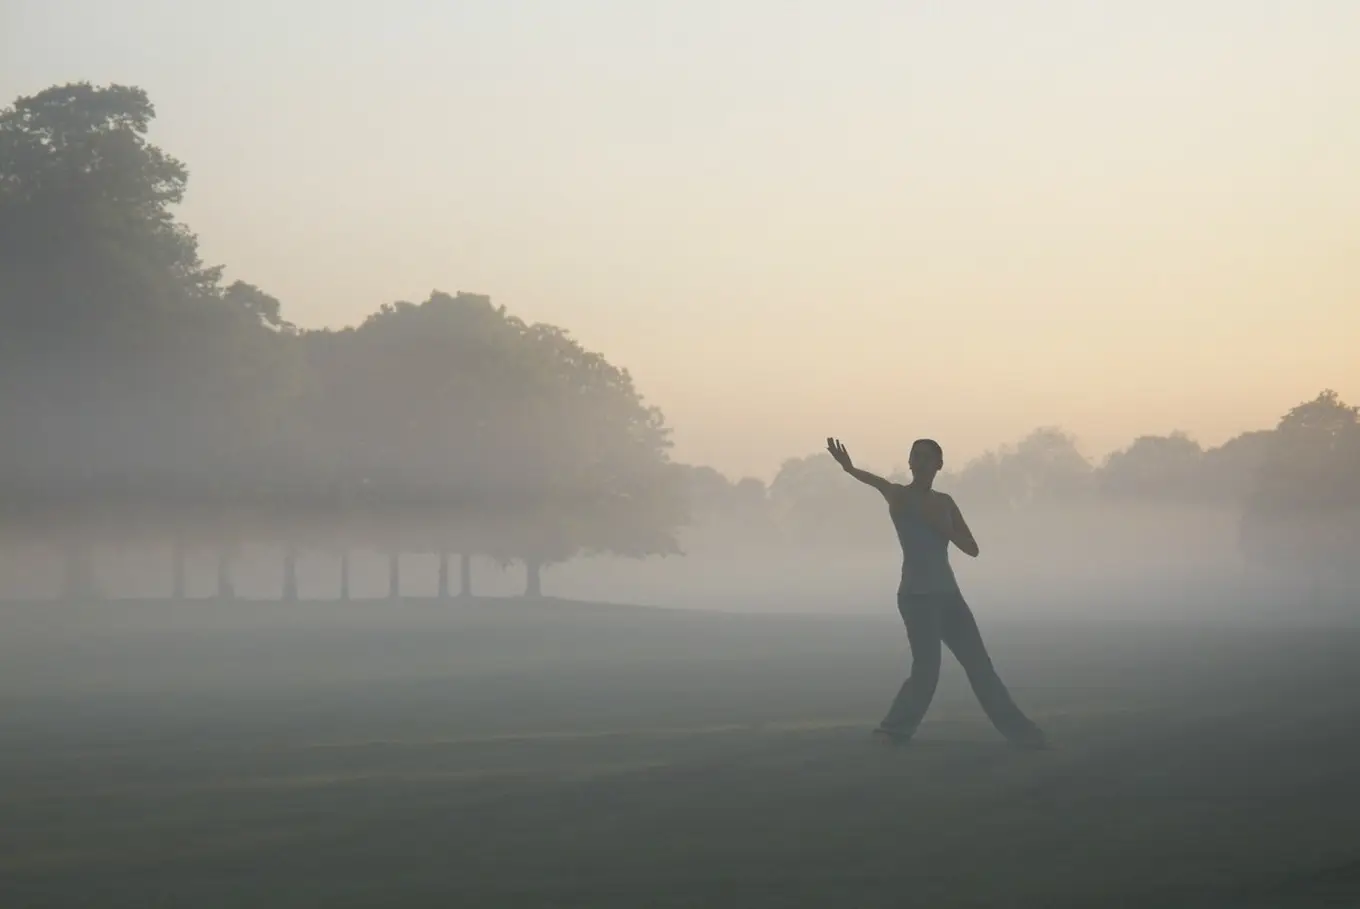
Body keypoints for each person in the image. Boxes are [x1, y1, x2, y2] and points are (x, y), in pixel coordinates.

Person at [826, 436, 1047, 749]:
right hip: (917, 597)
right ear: (910, 462)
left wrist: (942, 528)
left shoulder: (945, 502)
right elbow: (874, 481)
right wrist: (848, 468)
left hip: (949, 596)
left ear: (938, 464)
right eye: (915, 456)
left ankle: (1024, 735)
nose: (919, 462)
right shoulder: (899, 496)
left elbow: (972, 548)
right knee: (927, 669)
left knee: (980, 667)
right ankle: (893, 731)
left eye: (926, 457)